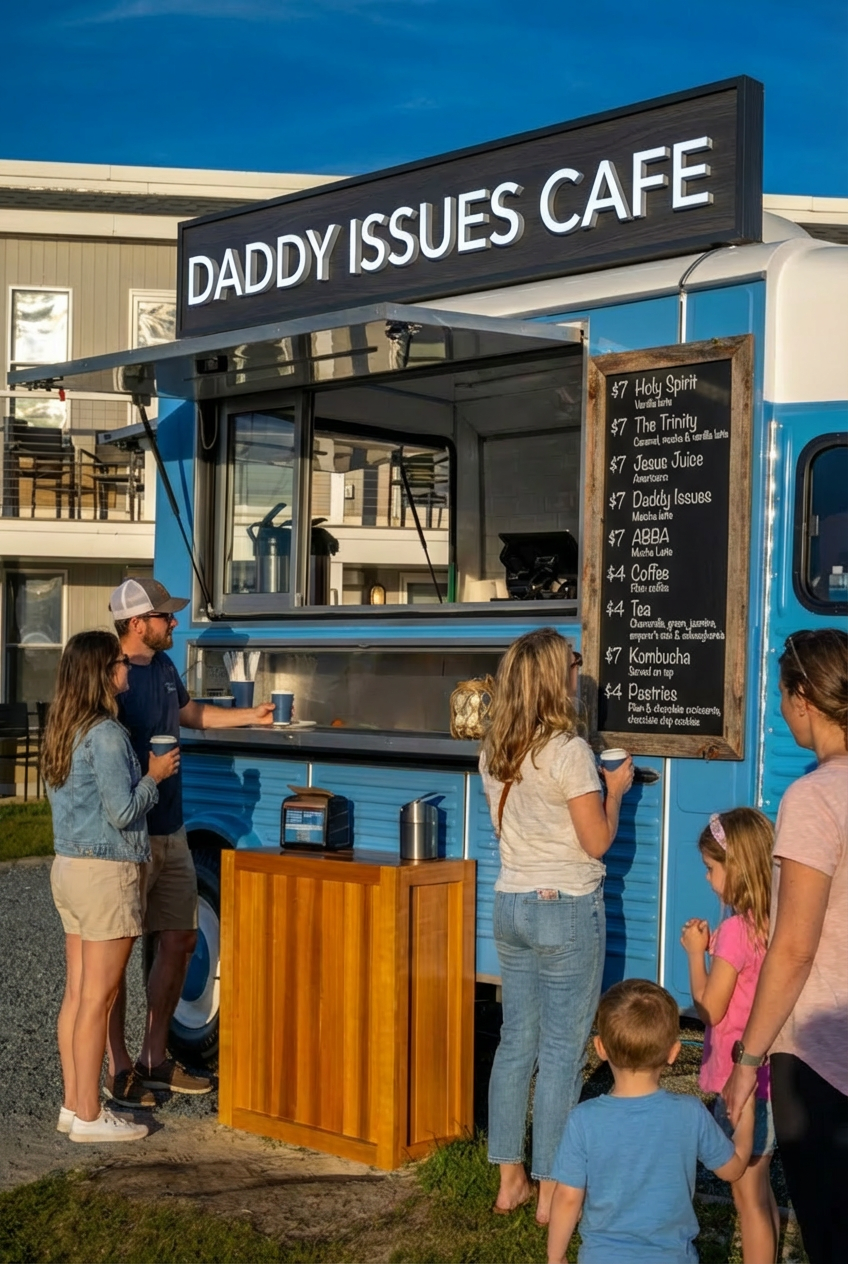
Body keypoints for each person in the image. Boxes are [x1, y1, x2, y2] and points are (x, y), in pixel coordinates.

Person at [479, 627, 634, 1224]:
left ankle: (509, 1181)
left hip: (511, 903)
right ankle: (550, 1193)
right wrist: (614, 791)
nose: (577, 669)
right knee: (563, 1052)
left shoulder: (495, 749)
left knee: (516, 1041)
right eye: (572, 661)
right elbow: (596, 842)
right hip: (565, 905)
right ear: (551, 676)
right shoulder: (568, 752)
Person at [105, 577, 275, 1103]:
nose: (174, 622)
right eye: (165, 616)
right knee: (114, 956)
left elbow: (189, 713)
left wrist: (250, 716)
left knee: (181, 938)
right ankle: (118, 1066)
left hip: (172, 828)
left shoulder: (162, 668)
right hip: (129, 833)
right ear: (138, 624)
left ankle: (155, 1057)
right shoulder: (109, 674)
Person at [723, 628, 848, 1264]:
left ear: (804, 698)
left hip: (821, 1057)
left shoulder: (814, 797)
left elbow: (794, 948)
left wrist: (747, 1060)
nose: (777, 708)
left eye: (779, 694)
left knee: (831, 1233)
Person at [42, 630, 179, 1143]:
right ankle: (89, 1115)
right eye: (120, 663)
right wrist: (155, 775)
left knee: (78, 993)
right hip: (105, 874)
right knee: (97, 999)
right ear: (101, 672)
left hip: (69, 869)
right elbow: (123, 812)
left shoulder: (64, 728)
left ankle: (72, 1105)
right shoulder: (106, 734)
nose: (127, 669)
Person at [547, 979, 755, 1264]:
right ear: (674, 1052)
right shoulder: (690, 1113)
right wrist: (747, 1114)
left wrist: (555, 1257)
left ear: (600, 1047)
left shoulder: (583, 1120)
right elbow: (733, 1169)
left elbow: (568, 1198)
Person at [681, 807, 779, 1264]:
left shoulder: (737, 932)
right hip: (771, 1079)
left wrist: (695, 955)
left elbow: (710, 1008)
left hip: (740, 1082)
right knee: (761, 1189)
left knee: (745, 1196)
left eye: (711, 868)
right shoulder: (773, 923)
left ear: (736, 868)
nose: (707, 879)